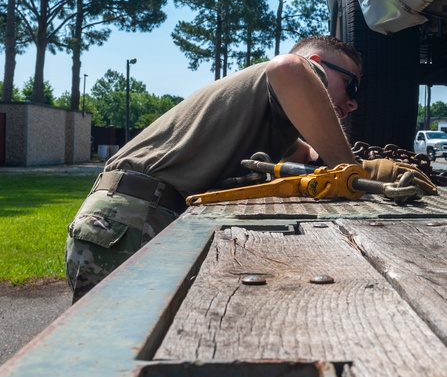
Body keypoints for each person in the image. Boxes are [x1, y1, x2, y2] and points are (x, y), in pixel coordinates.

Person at [65, 35, 423, 302]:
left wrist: (361, 165)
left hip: (130, 218)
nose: (354, 102)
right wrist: (352, 171)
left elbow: (307, 154)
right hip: (131, 220)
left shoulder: (265, 114)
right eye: (351, 85)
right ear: (316, 63)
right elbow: (288, 68)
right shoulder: (296, 71)